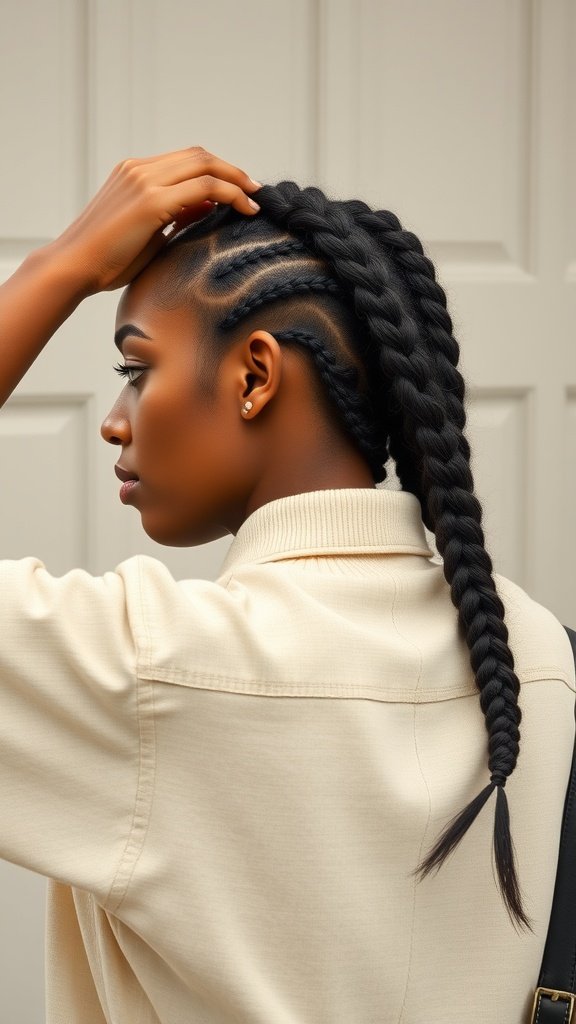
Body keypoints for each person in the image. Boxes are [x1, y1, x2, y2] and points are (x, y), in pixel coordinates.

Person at [0, 146, 573, 1024]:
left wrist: (60, 265)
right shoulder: (542, 660)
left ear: (256, 376)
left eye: (136, 368)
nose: (114, 420)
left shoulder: (148, 668)